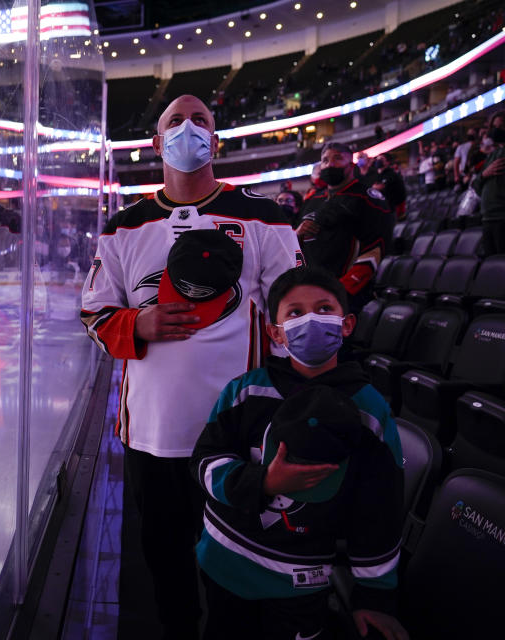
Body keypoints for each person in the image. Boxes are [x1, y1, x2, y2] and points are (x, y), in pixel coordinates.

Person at [80, 94, 301, 639]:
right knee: (166, 569)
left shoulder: (265, 217)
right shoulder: (122, 228)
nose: (188, 128)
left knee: (235, 571)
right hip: (151, 437)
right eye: (175, 121)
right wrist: (139, 324)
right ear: (156, 144)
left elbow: (291, 312)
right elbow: (93, 312)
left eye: (200, 120)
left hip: (237, 439)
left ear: (216, 141)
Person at [191, 266, 407, 640]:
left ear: (347, 324)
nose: (311, 319)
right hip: (224, 564)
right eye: (295, 312)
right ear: (275, 332)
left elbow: (379, 509)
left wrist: (373, 596)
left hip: (299, 581)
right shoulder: (245, 391)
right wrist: (263, 482)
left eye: (325, 309)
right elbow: (206, 461)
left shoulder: (369, 412)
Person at [296, 142, 392, 315]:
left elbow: (375, 250)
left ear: (352, 166)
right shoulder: (312, 200)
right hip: (307, 291)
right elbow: (294, 245)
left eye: (337, 158)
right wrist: (295, 236)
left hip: (344, 296)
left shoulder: (369, 198)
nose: (330, 164)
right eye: (325, 160)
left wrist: (343, 290)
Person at [473, 111, 505, 255]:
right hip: (487, 218)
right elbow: (476, 186)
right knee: (491, 267)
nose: (498, 130)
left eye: (502, 126)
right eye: (495, 126)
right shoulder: (493, 155)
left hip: (502, 217)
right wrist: (485, 174)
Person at [370, 152, 407, 221]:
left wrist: (374, 187)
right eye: (377, 158)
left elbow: (380, 187)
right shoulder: (378, 174)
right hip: (386, 207)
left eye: (381, 159)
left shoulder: (390, 174)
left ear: (387, 162)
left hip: (394, 209)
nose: (378, 160)